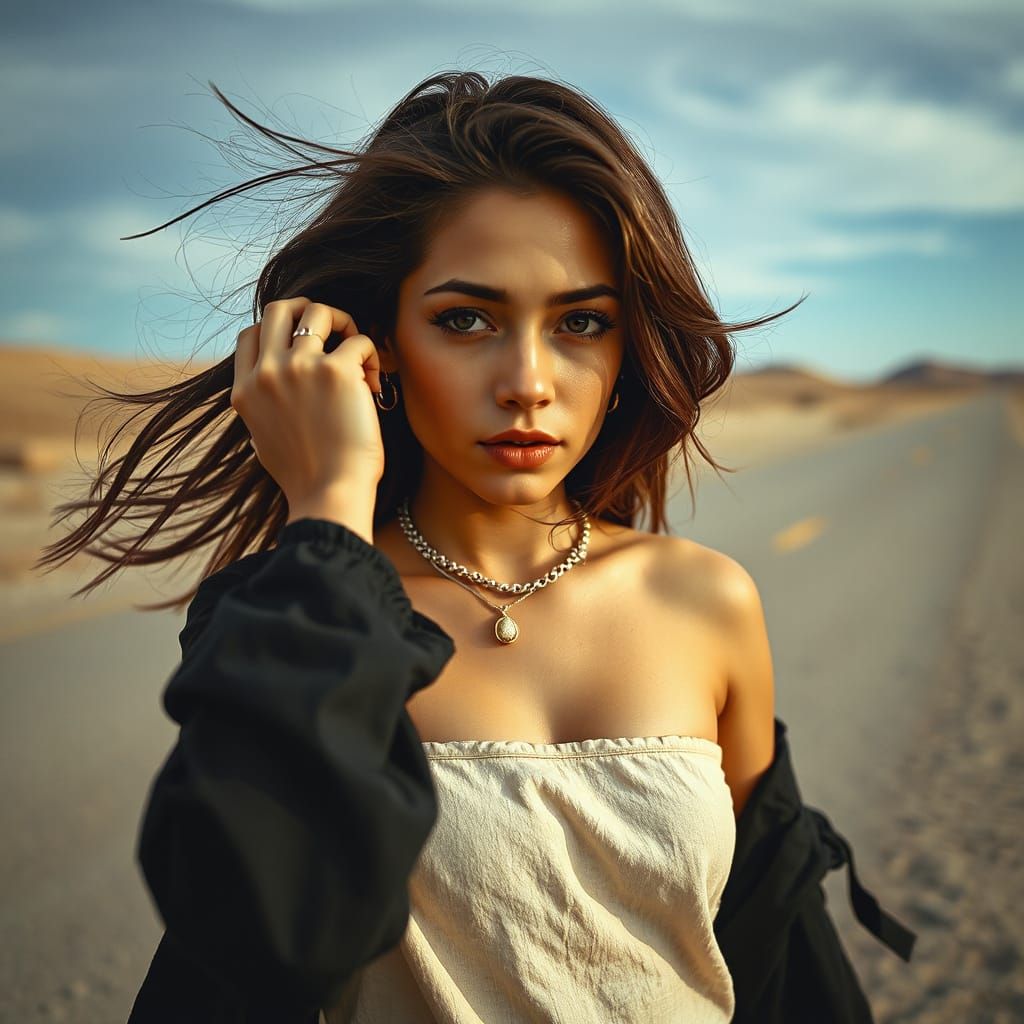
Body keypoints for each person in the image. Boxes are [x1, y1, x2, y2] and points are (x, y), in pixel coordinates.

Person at [37, 69, 914, 1023]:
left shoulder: (705, 601)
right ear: (380, 348)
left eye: (581, 322)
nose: (528, 382)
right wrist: (328, 504)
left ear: (626, 352)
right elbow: (257, 941)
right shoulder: (297, 619)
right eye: (466, 319)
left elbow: (776, 948)